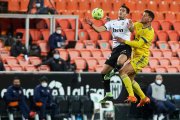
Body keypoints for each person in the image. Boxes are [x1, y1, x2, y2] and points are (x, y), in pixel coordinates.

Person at [85, 4, 134, 102]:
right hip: (115, 49)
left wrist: (131, 26)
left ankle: (112, 73)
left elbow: (132, 30)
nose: (121, 12)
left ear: (127, 14)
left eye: (123, 11)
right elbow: (99, 30)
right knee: (103, 73)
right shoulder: (112, 23)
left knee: (120, 62)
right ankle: (109, 94)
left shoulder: (128, 21)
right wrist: (91, 24)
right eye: (120, 10)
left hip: (125, 47)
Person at [115, 10, 155, 106]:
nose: (142, 16)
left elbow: (138, 44)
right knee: (130, 80)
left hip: (141, 58)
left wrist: (124, 41)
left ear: (150, 19)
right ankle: (144, 98)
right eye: (143, 14)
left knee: (122, 72)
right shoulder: (140, 24)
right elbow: (132, 28)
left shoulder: (149, 32)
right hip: (135, 56)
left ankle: (132, 96)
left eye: (144, 15)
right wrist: (130, 25)